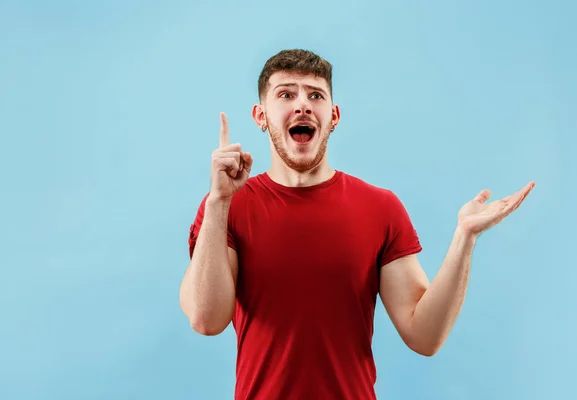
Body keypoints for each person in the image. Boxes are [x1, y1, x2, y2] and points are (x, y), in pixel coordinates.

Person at [179, 49, 535, 400]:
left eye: (315, 95)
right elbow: (205, 319)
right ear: (261, 116)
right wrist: (218, 202)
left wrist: (465, 237)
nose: (302, 104)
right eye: (286, 94)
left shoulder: (380, 208)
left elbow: (424, 337)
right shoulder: (227, 206)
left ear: (333, 115)